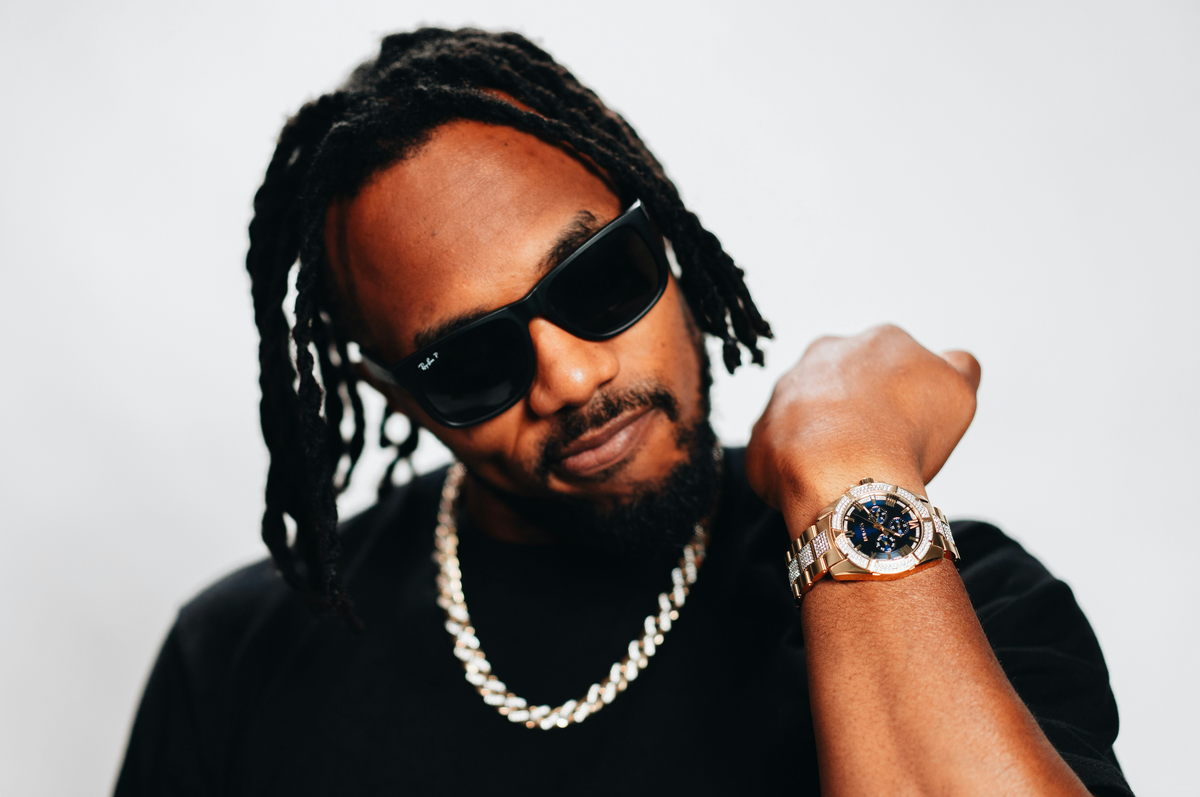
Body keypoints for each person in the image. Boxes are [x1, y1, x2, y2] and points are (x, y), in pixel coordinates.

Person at [114, 28, 1131, 796]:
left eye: (598, 279)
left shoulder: (943, 592)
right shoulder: (238, 655)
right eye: (471, 358)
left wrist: (851, 473)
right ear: (398, 397)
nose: (563, 376)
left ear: (669, 239)